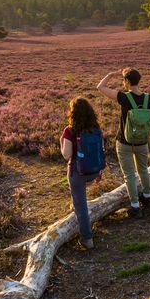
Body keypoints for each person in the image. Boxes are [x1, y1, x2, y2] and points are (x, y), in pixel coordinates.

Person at [97, 68, 150, 218]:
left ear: (127, 82)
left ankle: (135, 207)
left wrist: (110, 74)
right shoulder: (149, 98)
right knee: (143, 170)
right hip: (142, 142)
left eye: (123, 80)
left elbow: (100, 87)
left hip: (124, 142)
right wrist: (145, 135)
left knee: (129, 175)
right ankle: (147, 197)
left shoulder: (124, 97)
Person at [60, 97, 103, 249]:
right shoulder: (96, 128)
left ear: (73, 113)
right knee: (79, 200)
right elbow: (99, 151)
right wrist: (99, 172)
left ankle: (87, 239)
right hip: (94, 170)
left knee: (81, 206)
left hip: (79, 173)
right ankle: (75, 205)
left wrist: (62, 141)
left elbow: (66, 155)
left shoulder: (69, 130)